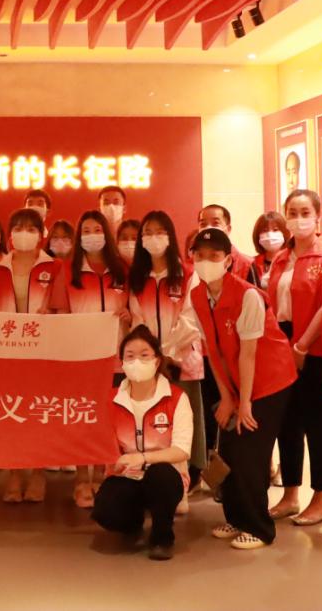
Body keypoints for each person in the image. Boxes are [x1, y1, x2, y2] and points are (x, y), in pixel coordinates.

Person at [174, 227, 297, 550]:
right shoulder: (198, 296)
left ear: (228, 260)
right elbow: (212, 350)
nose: (206, 262)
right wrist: (227, 397)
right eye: (200, 256)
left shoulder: (247, 295)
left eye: (214, 256)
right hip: (235, 382)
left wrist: (244, 403)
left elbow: (249, 353)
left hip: (269, 382)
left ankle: (259, 527)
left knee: (250, 453)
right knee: (229, 449)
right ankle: (236, 517)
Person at [267, 189, 322, 525]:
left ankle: (321, 498)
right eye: (292, 213)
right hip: (281, 344)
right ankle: (290, 494)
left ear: (317, 218)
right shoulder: (280, 258)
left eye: (304, 213)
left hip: (315, 348)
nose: (298, 219)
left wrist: (301, 347)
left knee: (318, 424)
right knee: (287, 421)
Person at [51, 210, 131, 508]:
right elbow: (60, 314)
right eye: (86, 230)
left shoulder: (121, 270)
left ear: (106, 234)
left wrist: (128, 316)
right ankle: (82, 478)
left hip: (116, 358)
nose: (92, 235)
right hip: (81, 359)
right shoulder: (68, 270)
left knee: (109, 420)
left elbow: (133, 308)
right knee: (82, 420)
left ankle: (102, 475)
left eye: (97, 229)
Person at [92, 326, 193, 561]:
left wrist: (144, 458)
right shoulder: (111, 399)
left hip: (166, 474)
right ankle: (133, 520)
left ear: (157, 361)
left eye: (144, 355)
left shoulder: (176, 398)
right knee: (106, 510)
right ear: (122, 363)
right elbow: (104, 444)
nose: (137, 361)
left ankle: (162, 537)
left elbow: (182, 450)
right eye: (130, 356)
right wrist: (112, 463)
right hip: (127, 475)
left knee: (161, 477)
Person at [127, 211, 206, 503]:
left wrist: (169, 355)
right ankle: (154, 485)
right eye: (148, 232)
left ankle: (185, 483)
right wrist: (151, 357)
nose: (154, 238)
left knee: (183, 424)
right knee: (155, 424)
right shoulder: (138, 279)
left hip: (182, 363)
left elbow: (191, 318)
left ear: (170, 237)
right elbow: (137, 320)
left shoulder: (188, 275)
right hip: (148, 365)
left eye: (160, 232)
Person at [0, 208, 61, 503]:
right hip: (7, 351)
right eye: (18, 228)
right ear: (10, 235)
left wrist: (51, 312)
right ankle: (14, 473)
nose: (24, 233)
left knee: (38, 413)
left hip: (43, 351)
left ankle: (38, 473)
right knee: (11, 413)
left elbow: (63, 308)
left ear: (41, 235)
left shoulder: (55, 267)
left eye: (31, 228)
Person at [197, 204, 259, 286]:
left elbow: (255, 293)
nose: (208, 228)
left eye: (215, 223)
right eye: (203, 224)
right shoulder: (196, 263)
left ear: (228, 229)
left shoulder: (246, 264)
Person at [250, 211, 289, 287]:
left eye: (275, 230)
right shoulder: (251, 265)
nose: (270, 234)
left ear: (285, 233)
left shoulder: (292, 261)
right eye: (265, 230)